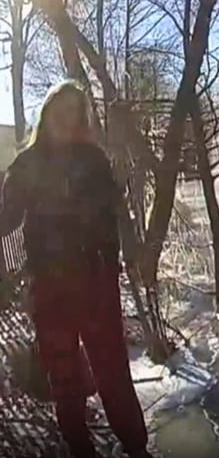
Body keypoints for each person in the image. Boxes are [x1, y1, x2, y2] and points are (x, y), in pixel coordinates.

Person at [0, 80, 152, 458]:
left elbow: (118, 213)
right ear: (47, 113)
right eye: (60, 111)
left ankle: (136, 446)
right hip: (50, 285)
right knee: (63, 374)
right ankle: (80, 447)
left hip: (97, 279)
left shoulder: (95, 161)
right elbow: (7, 218)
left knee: (112, 370)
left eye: (75, 113)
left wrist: (132, 250)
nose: (67, 120)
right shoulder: (27, 164)